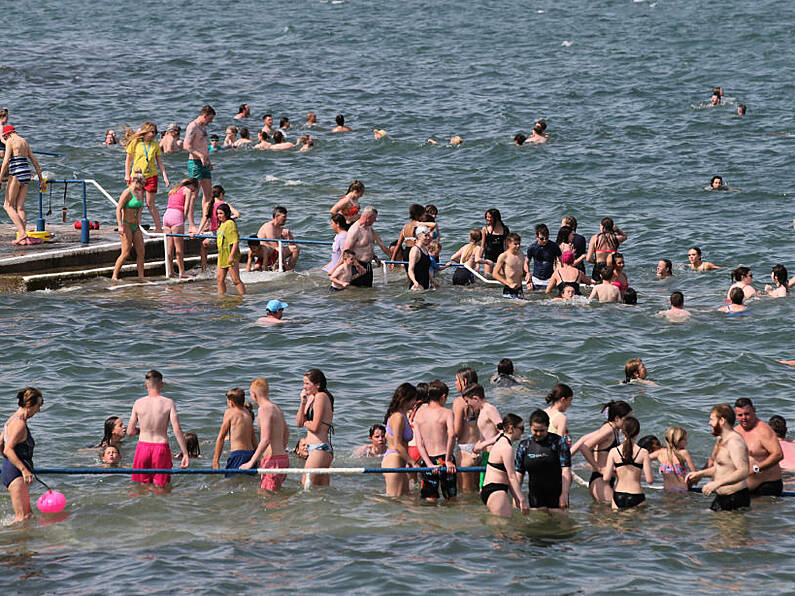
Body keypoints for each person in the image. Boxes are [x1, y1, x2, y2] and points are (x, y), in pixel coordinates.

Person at [126, 370, 190, 489]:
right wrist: (185, 453)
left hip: (143, 448)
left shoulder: (138, 403)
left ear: (146, 385)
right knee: (162, 488)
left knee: (141, 488)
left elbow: (130, 432)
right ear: (162, 385)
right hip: (161, 448)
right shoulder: (168, 403)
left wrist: (142, 430)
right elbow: (177, 429)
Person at [686, 404, 751, 511]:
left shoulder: (734, 442)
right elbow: (720, 469)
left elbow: (743, 471)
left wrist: (717, 483)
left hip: (735, 498)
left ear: (721, 420)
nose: (709, 423)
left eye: (712, 419)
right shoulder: (720, 440)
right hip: (722, 497)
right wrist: (699, 474)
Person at [571, 400, 633, 504]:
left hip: (605, 481)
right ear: (617, 418)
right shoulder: (608, 430)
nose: (630, 422)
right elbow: (584, 447)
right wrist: (597, 467)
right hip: (600, 481)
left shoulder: (614, 429)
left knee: (600, 516)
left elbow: (583, 439)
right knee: (616, 515)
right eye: (627, 419)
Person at [515, 409, 572, 509]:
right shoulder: (525, 445)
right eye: (535, 430)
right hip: (535, 496)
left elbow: (566, 470)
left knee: (561, 523)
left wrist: (564, 494)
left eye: (542, 430)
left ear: (548, 427)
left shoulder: (559, 442)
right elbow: (519, 473)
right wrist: (517, 497)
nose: (538, 434)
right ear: (530, 427)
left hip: (557, 495)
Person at [240, 378, 290, 491]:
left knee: (267, 498)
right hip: (283, 459)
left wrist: (251, 462)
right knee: (275, 497)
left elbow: (265, 439)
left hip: (273, 461)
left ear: (253, 394)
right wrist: (280, 452)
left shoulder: (264, 409)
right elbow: (286, 433)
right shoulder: (276, 408)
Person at [2, 387, 43, 523]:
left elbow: (0, 444)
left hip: (11, 470)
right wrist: (24, 470)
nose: (38, 410)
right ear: (29, 405)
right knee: (22, 517)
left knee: (28, 515)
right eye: (38, 406)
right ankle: (12, 543)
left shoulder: (10, 421)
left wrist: (9, 463)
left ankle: (24, 543)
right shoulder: (19, 424)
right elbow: (8, 449)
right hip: (16, 472)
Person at [0, 125, 45, 245]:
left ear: (7, 135)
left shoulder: (10, 141)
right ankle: (23, 238)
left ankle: (22, 233)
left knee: (7, 206)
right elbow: (35, 161)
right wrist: (41, 180)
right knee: (20, 207)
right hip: (26, 174)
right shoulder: (24, 141)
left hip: (16, 174)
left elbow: (5, 162)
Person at [414, 380, 457, 501]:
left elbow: (419, 444)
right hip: (444, 459)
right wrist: (448, 460)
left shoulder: (419, 414)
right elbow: (452, 435)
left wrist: (428, 464)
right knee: (451, 499)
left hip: (428, 460)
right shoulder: (447, 412)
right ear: (443, 397)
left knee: (429, 499)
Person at [480, 414, 530, 517]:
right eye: (521, 428)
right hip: (496, 491)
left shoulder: (501, 440)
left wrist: (516, 497)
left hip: (491, 489)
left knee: (502, 530)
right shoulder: (506, 448)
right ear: (512, 428)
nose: (523, 432)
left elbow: (507, 476)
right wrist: (522, 500)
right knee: (506, 529)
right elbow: (512, 477)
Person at [123, 122, 168, 232]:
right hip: (137, 177)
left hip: (151, 176)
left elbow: (160, 163)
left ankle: (158, 228)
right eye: (152, 132)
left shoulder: (155, 145)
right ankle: (136, 227)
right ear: (146, 131)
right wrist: (127, 174)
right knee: (139, 204)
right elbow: (128, 160)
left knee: (150, 204)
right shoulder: (135, 143)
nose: (154, 134)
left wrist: (165, 177)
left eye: (155, 132)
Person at [734, 398, 783, 496]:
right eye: (740, 415)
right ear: (735, 415)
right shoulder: (735, 431)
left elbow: (778, 455)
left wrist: (756, 469)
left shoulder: (763, 430)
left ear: (754, 410)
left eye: (747, 414)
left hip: (767, 486)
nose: (744, 418)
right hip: (745, 485)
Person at [602, 416, 653, 510]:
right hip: (636, 494)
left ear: (622, 431)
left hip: (618, 495)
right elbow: (649, 480)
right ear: (637, 433)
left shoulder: (614, 451)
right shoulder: (643, 452)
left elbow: (606, 478)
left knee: (617, 523)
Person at [296, 369, 335, 487]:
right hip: (315, 449)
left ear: (317, 385)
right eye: (304, 383)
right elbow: (298, 423)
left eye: (307, 383)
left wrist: (306, 422)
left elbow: (315, 427)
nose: (304, 386)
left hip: (320, 448)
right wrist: (303, 402)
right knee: (320, 491)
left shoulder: (321, 397)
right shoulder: (312, 398)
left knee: (306, 486)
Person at [381, 382, 419, 496]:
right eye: (414, 399)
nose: (415, 402)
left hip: (400, 461)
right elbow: (397, 445)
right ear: (405, 399)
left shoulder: (403, 415)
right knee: (394, 498)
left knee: (407, 498)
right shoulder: (397, 417)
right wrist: (412, 462)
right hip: (393, 460)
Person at [212, 387, 257, 478]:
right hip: (251, 455)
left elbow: (221, 438)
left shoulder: (229, 412)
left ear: (231, 402)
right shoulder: (247, 413)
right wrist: (257, 457)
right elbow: (253, 437)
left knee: (231, 483)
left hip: (237, 455)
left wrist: (216, 461)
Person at [343, 206, 391, 287]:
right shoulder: (355, 230)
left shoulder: (369, 228)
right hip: (357, 266)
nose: (375, 220)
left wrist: (374, 257)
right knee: (356, 292)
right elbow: (346, 251)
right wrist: (358, 266)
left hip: (368, 266)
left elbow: (368, 246)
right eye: (374, 218)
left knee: (369, 293)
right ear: (368, 217)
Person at [112, 171, 147, 281]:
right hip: (126, 224)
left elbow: (140, 208)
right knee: (126, 253)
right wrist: (120, 225)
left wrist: (139, 221)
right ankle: (114, 276)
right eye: (142, 184)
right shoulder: (127, 193)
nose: (143, 187)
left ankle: (141, 277)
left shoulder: (140, 192)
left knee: (141, 252)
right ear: (136, 182)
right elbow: (118, 209)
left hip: (136, 226)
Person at [183, 105, 216, 221]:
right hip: (195, 163)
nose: (211, 121)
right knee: (193, 194)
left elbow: (204, 146)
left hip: (205, 163)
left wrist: (208, 160)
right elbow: (186, 146)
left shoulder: (203, 128)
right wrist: (200, 155)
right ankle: (191, 223)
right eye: (210, 119)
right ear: (205, 115)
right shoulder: (192, 127)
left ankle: (205, 222)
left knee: (208, 195)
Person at [197, 184, 239, 271]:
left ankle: (203, 269)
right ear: (221, 194)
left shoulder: (208, 204)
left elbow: (204, 218)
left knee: (204, 245)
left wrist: (198, 231)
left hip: (214, 232)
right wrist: (229, 219)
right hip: (221, 232)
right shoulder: (224, 204)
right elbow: (237, 214)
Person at [163, 178, 199, 278]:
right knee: (179, 248)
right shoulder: (187, 191)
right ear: (192, 185)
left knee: (169, 248)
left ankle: (170, 271)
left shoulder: (174, 190)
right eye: (194, 189)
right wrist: (183, 219)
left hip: (166, 215)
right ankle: (181, 272)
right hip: (176, 216)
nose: (193, 191)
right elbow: (186, 207)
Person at [452, 367, 480, 493]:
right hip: (480, 449)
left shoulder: (459, 402)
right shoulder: (480, 400)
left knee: (466, 495)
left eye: (456, 380)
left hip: (465, 451)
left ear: (464, 381)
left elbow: (457, 431)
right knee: (477, 492)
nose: (455, 383)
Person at [649, 427, 696, 491]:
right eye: (685, 439)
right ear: (677, 440)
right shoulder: (661, 452)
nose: (687, 442)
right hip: (674, 491)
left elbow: (641, 459)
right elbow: (695, 474)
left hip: (676, 491)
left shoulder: (661, 452)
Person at [256, 206, 301, 271]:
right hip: (264, 253)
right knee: (280, 249)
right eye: (284, 217)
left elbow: (292, 245)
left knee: (295, 248)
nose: (286, 219)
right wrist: (285, 264)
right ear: (277, 217)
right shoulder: (269, 226)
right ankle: (285, 268)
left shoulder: (280, 228)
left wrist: (289, 235)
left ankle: (290, 268)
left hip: (274, 252)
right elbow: (275, 246)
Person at [215, 203, 245, 295]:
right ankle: (222, 296)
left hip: (230, 255)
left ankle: (243, 296)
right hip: (222, 255)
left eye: (221, 213)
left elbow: (235, 241)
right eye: (218, 213)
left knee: (235, 280)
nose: (219, 216)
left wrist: (231, 256)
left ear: (227, 213)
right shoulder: (222, 224)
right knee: (220, 279)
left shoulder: (230, 224)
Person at [586, 217, 626, 282]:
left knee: (596, 286)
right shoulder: (616, 239)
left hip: (598, 267)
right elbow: (625, 236)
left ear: (602, 227)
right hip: (611, 267)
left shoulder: (595, 238)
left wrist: (595, 261)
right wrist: (617, 230)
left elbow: (588, 259)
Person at [524, 224, 561, 290]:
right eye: (542, 238)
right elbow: (526, 263)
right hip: (536, 279)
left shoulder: (554, 246)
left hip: (550, 278)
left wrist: (558, 272)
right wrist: (528, 273)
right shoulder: (532, 248)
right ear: (537, 237)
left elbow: (561, 260)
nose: (544, 240)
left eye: (546, 238)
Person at [492, 232, 524, 299]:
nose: (518, 246)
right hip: (509, 289)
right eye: (515, 244)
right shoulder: (504, 256)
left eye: (519, 244)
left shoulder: (521, 254)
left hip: (520, 289)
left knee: (522, 308)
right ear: (508, 244)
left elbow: (521, 271)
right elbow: (494, 274)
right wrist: (509, 284)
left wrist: (528, 275)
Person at [481, 208, 509, 275]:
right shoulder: (485, 229)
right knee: (487, 276)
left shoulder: (504, 229)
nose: (488, 219)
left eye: (490, 217)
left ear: (496, 217)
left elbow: (507, 246)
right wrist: (478, 258)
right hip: (489, 256)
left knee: (504, 276)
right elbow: (482, 246)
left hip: (501, 256)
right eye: (486, 217)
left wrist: (509, 258)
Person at [407, 225, 433, 290]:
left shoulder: (425, 249)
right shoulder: (415, 250)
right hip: (417, 286)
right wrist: (415, 282)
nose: (428, 238)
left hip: (426, 284)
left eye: (428, 235)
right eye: (425, 236)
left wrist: (433, 281)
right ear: (419, 236)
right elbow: (410, 269)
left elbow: (426, 268)